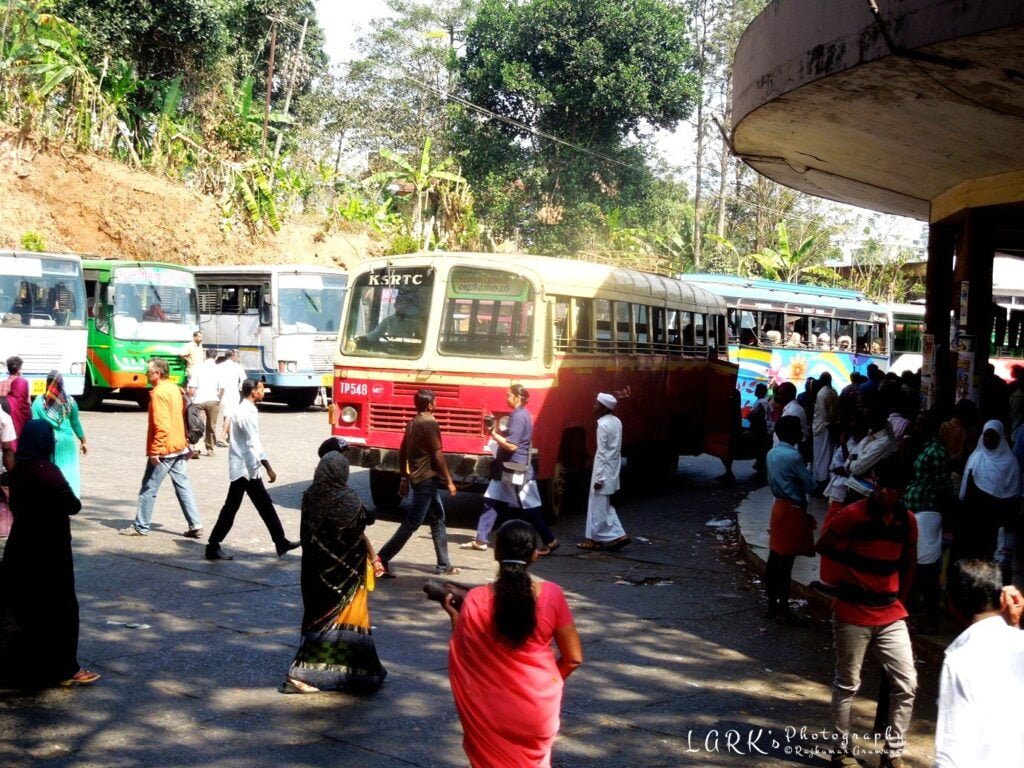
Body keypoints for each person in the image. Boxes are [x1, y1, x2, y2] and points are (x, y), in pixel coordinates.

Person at [445, 520, 583, 767]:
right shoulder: (552, 594)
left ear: (496, 553)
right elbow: (573, 658)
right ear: (534, 554)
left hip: (490, 711)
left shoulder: (476, 599)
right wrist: (548, 683)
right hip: (539, 708)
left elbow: (466, 654)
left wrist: (456, 618)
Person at [816, 457, 917, 768]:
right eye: (884, 486)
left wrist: (901, 601)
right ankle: (841, 749)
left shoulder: (907, 521)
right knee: (847, 683)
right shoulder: (852, 515)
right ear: (875, 481)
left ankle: (893, 752)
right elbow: (825, 545)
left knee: (907, 684)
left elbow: (909, 563)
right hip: (852, 611)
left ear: (903, 489)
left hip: (890, 613)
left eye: (895, 488)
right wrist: (853, 571)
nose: (888, 493)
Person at [2, 420, 99, 688]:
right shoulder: (47, 472)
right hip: (50, 550)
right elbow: (73, 505)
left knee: (20, 607)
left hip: (21, 546)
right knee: (59, 609)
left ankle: (17, 669)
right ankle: (65, 668)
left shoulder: (17, 469)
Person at [282, 451, 387, 694]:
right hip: (346, 579)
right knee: (348, 624)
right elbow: (365, 522)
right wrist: (374, 558)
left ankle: (354, 673)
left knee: (319, 624)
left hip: (315, 577)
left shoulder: (310, 497)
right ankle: (300, 675)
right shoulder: (348, 500)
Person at [934, 562, 1024, 767]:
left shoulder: (960, 660)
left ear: (951, 603)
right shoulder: (1019, 642)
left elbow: (951, 755)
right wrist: (1015, 625)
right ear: (1002, 599)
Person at [205, 379, 300, 561]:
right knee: (234, 508)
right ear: (253, 391)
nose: (263, 392)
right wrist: (268, 467)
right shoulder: (246, 412)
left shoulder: (246, 409)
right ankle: (213, 545)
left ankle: (280, 541)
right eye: (261, 389)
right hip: (245, 469)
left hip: (246, 468)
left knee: (262, 506)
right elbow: (253, 444)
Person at [462, 385, 558, 554]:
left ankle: (550, 541)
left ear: (517, 398)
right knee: (492, 500)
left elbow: (512, 446)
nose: (506, 398)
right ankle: (480, 539)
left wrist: (493, 434)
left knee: (529, 507)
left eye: (508, 395)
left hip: (515, 469)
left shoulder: (518, 416)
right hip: (509, 468)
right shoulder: (521, 415)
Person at [376, 389, 460, 577]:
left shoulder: (413, 422)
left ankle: (444, 565)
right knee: (412, 523)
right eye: (435, 401)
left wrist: (404, 478)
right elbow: (438, 455)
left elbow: (402, 452)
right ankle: (381, 559)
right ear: (430, 405)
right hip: (426, 480)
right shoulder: (430, 423)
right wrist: (449, 481)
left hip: (419, 479)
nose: (437, 404)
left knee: (438, 518)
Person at [120, 359, 203, 538]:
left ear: (157, 373)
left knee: (149, 487)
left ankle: (141, 525)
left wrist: (155, 450)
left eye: (148, 372)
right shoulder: (174, 388)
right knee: (183, 485)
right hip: (179, 444)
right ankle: (195, 523)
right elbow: (181, 417)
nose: (146, 374)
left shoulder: (159, 393)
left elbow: (162, 425)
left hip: (166, 448)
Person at [903, 410, 952, 633]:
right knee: (916, 563)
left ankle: (930, 618)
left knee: (925, 566)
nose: (916, 428)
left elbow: (944, 487)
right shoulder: (925, 447)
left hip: (928, 513)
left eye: (921, 424)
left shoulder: (936, 451)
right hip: (918, 511)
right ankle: (919, 612)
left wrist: (947, 522)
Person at [764, 415, 816, 623]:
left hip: (779, 507)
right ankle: (783, 608)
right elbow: (810, 485)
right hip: (792, 509)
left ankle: (772, 605)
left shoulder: (772, 453)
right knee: (786, 564)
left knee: (775, 559)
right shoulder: (794, 457)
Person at [955, 419, 1022, 565]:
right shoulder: (976, 458)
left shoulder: (1011, 464)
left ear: (1001, 438)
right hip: (975, 519)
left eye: (993, 436)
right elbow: (965, 490)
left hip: (996, 524)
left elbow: (1014, 500)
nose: (989, 439)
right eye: (986, 435)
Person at [578, 393, 629, 551]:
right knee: (604, 505)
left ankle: (599, 538)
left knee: (597, 506)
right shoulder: (617, 422)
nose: (594, 406)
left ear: (604, 408)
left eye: (597, 404)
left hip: (602, 471)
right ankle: (612, 535)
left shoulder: (602, 425)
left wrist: (599, 478)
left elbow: (601, 453)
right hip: (612, 470)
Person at [30, 371, 87, 498]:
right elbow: (75, 423)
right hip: (68, 442)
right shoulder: (70, 402)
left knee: (52, 471)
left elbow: (34, 424)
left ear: (47, 384)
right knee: (69, 470)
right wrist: (83, 441)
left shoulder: (39, 402)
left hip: (49, 441)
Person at [189, 349, 221, 457]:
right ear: (216, 357)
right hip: (213, 400)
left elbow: (192, 388)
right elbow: (222, 387)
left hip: (199, 401)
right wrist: (219, 397)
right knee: (211, 426)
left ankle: (196, 449)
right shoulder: (218, 369)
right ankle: (210, 449)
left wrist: (192, 397)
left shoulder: (198, 368)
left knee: (198, 425)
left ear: (205, 356)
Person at [812, 372, 839, 488]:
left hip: (822, 427)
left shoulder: (821, 394)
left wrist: (828, 424)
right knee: (828, 453)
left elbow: (824, 414)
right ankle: (825, 478)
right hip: (829, 426)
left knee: (820, 455)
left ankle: (821, 479)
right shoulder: (833, 392)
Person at [215, 349, 246, 446]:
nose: (237, 358)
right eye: (236, 356)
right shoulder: (237, 367)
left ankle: (229, 436)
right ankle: (222, 436)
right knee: (229, 415)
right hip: (233, 393)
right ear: (233, 356)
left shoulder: (219, 366)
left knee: (226, 414)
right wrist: (240, 387)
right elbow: (244, 380)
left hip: (221, 392)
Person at [2, 355, 31, 444]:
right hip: (19, 426)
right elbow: (27, 405)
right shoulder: (23, 384)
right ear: (19, 370)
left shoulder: (1, 384)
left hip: (4, 425)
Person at [748, 383, 771, 478]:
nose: (755, 391)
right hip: (760, 427)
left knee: (759, 449)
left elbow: (755, 414)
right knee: (760, 449)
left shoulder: (762, 402)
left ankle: (761, 471)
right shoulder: (763, 401)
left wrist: (750, 415)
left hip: (759, 428)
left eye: (757, 389)